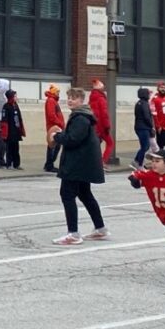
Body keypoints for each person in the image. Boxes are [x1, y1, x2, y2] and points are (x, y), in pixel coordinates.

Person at [49, 87, 107, 245]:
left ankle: (73, 233)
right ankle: (100, 228)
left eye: (74, 98)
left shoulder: (80, 118)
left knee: (67, 195)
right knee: (85, 194)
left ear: (82, 101)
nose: (70, 100)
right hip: (83, 163)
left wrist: (57, 136)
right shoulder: (82, 116)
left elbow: (73, 139)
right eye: (68, 97)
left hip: (77, 164)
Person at [88, 78, 114, 166]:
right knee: (110, 143)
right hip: (102, 126)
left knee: (95, 145)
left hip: (94, 125)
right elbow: (104, 114)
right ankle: (102, 162)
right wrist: (107, 126)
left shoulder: (92, 97)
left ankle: (94, 162)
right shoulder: (101, 99)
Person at [0, 89, 25, 170]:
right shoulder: (6, 106)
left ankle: (16, 164)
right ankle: (9, 163)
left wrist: (21, 129)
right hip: (10, 132)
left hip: (16, 131)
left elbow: (19, 118)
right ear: (11, 97)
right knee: (9, 149)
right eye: (14, 96)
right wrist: (4, 133)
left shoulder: (15, 105)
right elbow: (4, 121)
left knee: (16, 149)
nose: (16, 97)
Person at [43, 84, 66, 172]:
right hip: (54, 127)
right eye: (57, 92)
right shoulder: (51, 101)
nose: (58, 93)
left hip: (55, 126)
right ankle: (49, 165)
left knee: (54, 146)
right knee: (54, 146)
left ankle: (49, 164)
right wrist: (60, 123)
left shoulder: (52, 100)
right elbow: (51, 115)